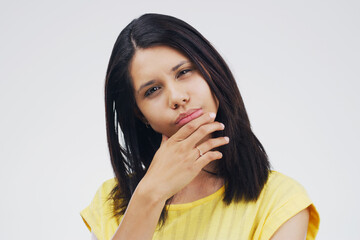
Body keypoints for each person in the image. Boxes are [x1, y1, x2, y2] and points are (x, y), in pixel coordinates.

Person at [80, 13, 320, 240]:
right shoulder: (112, 202)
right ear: (140, 115)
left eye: (184, 72)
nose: (177, 97)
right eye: (152, 90)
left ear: (212, 72)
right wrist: (149, 195)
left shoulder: (282, 201)